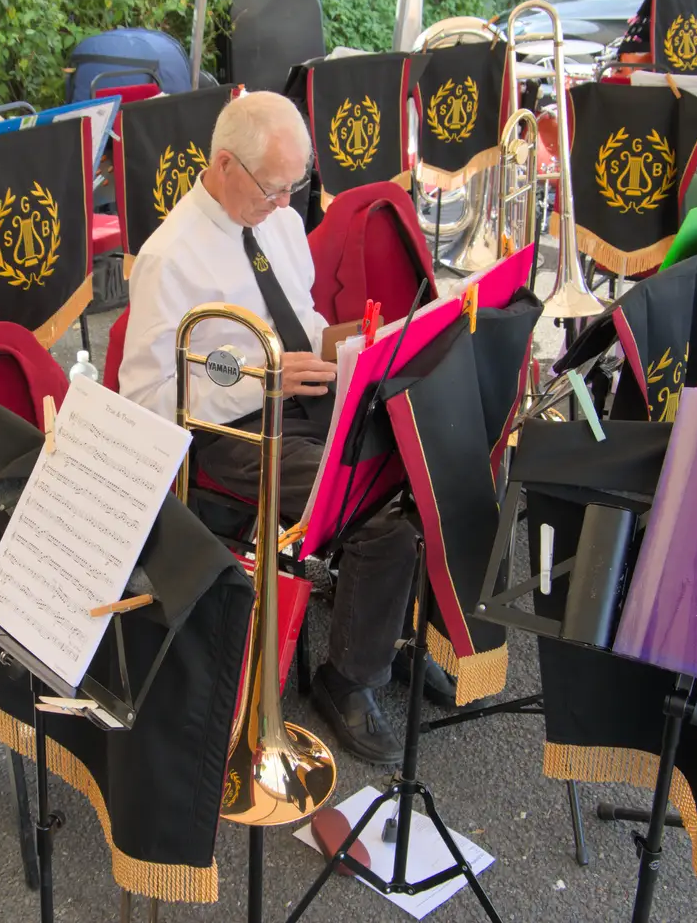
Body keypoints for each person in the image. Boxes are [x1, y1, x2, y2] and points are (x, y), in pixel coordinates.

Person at [118, 90, 454, 766]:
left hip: (295, 395)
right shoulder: (168, 257)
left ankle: (393, 634)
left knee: (424, 455)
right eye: (274, 188)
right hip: (226, 435)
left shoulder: (271, 216)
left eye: (294, 187)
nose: (283, 205)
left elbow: (294, 319)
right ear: (223, 165)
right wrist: (258, 374)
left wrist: (344, 344)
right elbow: (148, 398)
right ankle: (349, 680)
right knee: (374, 510)